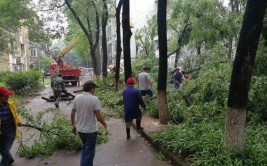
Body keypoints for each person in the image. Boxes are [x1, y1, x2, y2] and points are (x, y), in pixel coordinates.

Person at [71, 81, 109, 166]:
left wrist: (73, 125)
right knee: (90, 152)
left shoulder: (77, 98)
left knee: (85, 148)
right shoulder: (94, 99)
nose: (95, 90)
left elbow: (72, 113)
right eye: (94, 88)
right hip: (90, 131)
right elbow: (98, 116)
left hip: (80, 130)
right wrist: (105, 125)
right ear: (91, 88)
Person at [0, 86, 21, 166]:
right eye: (6, 95)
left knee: (5, 151)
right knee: (2, 150)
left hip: (10, 130)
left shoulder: (10, 103)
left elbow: (15, 114)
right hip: (1, 131)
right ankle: (10, 160)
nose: (8, 97)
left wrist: (18, 121)